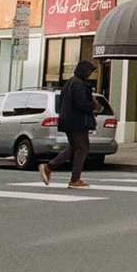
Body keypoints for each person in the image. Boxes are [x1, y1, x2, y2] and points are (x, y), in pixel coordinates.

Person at [40, 59, 96, 188]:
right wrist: (93, 104)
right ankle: (74, 179)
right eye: (89, 71)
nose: (90, 74)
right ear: (84, 71)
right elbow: (82, 104)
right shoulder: (79, 84)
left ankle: (49, 167)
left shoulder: (70, 83)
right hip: (78, 122)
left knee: (73, 148)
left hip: (68, 120)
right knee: (82, 148)